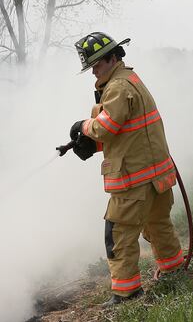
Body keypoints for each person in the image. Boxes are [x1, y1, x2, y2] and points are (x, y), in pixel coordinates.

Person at [67, 31, 184, 306]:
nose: (93, 71)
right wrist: (91, 146)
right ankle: (173, 269)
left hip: (134, 180)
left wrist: (83, 126)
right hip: (155, 174)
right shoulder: (130, 79)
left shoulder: (118, 87)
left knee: (118, 234)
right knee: (158, 225)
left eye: (96, 64)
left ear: (112, 58)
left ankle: (126, 292)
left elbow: (107, 127)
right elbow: (129, 132)